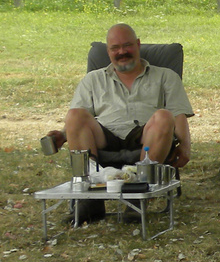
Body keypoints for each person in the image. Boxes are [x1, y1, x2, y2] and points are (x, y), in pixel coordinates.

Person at [55, 23, 194, 170]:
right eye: (115, 48)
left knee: (164, 116)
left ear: (138, 44)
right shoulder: (92, 79)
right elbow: (77, 121)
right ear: (108, 51)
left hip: (146, 135)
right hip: (104, 135)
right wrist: (63, 135)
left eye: (127, 45)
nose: (122, 52)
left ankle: (145, 178)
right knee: (75, 114)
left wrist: (185, 145)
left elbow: (178, 114)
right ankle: (89, 179)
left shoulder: (166, 76)